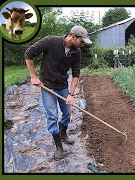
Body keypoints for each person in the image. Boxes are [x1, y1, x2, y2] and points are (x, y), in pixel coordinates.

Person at [25, 26, 92, 160]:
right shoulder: (50, 41)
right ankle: (58, 145)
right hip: (47, 85)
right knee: (52, 116)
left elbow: (76, 74)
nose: (83, 44)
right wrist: (33, 76)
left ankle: (63, 133)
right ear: (73, 37)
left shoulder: (76, 52)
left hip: (62, 85)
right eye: (82, 41)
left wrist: (70, 94)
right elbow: (29, 53)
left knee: (67, 113)